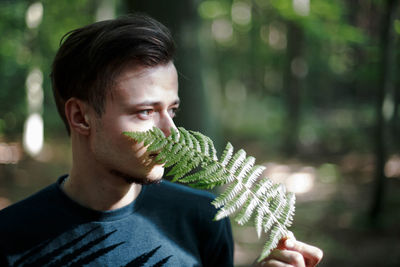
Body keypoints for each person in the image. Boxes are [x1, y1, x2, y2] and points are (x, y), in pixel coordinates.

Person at [0, 14, 322, 267]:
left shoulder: (203, 220)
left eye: (172, 110)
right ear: (81, 117)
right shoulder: (10, 235)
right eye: (145, 112)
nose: (171, 133)